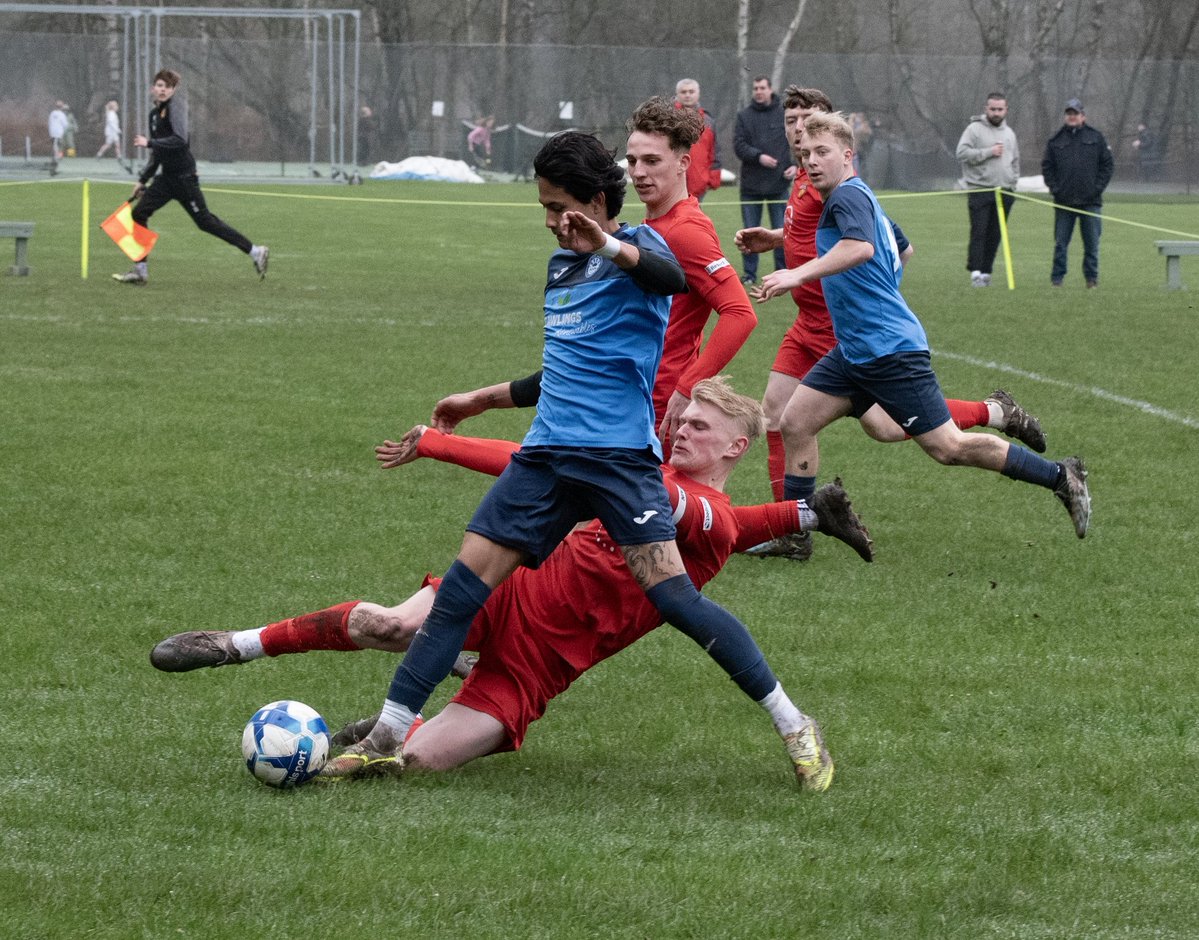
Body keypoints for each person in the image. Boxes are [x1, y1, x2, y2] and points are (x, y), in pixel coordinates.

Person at [312, 127, 833, 791]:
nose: (554, 223)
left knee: (676, 601)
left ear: (593, 201)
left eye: (562, 208)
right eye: (544, 210)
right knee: (459, 596)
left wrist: (608, 243)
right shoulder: (560, 267)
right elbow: (563, 367)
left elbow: (672, 280)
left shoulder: (642, 247)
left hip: (618, 463)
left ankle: (794, 724)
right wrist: (481, 398)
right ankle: (388, 734)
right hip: (546, 460)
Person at [149, 377, 873, 779]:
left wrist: (803, 515)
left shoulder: (708, 517)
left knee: (412, 766)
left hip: (535, 672)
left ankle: (398, 727)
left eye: (699, 429)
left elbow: (732, 522)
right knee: (392, 625)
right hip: (504, 596)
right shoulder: (645, 476)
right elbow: (534, 465)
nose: (680, 431)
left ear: (736, 447)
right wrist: (439, 443)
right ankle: (237, 643)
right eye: (679, 421)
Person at [735, 88, 1047, 560]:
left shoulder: (839, 182)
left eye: (808, 121)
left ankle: (996, 416)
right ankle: (793, 526)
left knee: (903, 431)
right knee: (789, 418)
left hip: (845, 328)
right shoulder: (804, 177)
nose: (798, 130)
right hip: (814, 322)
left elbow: (886, 239)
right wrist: (773, 238)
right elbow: (815, 232)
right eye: (791, 122)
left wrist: (868, 291)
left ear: (836, 139)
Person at [430, 99, 758, 456]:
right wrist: (481, 400)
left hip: (652, 412)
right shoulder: (650, 231)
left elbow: (740, 314)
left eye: (652, 161)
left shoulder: (685, 232)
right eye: (633, 161)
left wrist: (686, 390)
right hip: (620, 405)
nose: (639, 172)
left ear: (683, 164)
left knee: (556, 483)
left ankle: (799, 512)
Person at [112, 68, 269, 286]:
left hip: (185, 178)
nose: (162, 90)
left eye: (167, 87)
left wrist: (149, 142)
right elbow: (158, 154)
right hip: (166, 179)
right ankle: (140, 271)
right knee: (138, 214)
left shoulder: (176, 108)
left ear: (173, 90)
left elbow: (180, 140)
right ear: (152, 88)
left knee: (205, 222)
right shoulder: (154, 116)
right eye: (159, 85)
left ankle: (256, 251)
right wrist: (142, 180)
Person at [1041, 99, 1114, 288]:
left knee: (1091, 244)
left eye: (1075, 113)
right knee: (1060, 244)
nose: (1072, 117)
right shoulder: (1055, 140)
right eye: (1069, 114)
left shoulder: (1096, 138)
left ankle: (1091, 279)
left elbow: (1107, 165)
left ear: (1083, 116)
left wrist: (1096, 189)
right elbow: (1047, 167)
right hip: (1064, 202)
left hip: (1090, 202)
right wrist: (1055, 189)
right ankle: (1057, 279)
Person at [733, 76, 793, 283]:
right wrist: (758, 156)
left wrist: (794, 165)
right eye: (755, 88)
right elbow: (738, 145)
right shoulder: (744, 116)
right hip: (751, 187)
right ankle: (749, 275)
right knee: (749, 233)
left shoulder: (783, 114)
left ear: (770, 90)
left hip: (779, 185)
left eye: (762, 88)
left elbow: (794, 142)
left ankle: (782, 271)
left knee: (783, 231)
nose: (758, 91)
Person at [955, 93, 1019, 287]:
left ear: (1006, 110)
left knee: (995, 234)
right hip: (980, 190)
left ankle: (986, 272)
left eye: (1000, 109)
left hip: (1005, 191)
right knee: (979, 232)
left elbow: (1015, 160)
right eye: (993, 109)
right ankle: (975, 272)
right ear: (986, 109)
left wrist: (1013, 182)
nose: (996, 113)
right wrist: (988, 152)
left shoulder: (1009, 133)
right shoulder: (974, 129)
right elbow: (962, 153)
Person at [673, 79, 721, 202]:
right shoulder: (668, 117)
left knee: (693, 218)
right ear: (677, 94)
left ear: (698, 94)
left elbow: (714, 149)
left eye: (691, 91)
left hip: (698, 181)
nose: (687, 95)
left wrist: (714, 174)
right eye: (683, 92)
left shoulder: (708, 120)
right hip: (672, 179)